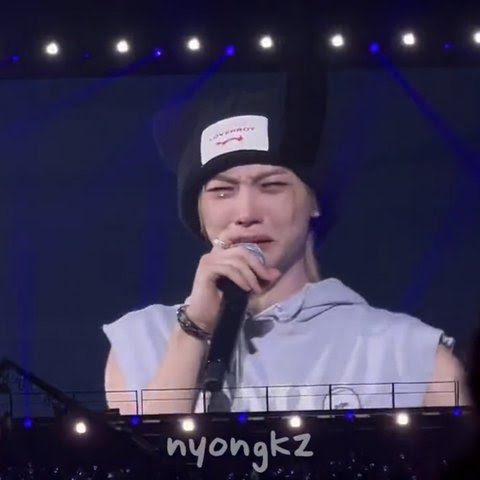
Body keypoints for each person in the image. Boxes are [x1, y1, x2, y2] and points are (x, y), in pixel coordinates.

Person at [102, 69, 465, 415]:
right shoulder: (143, 340)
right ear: (198, 214)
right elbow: (142, 452)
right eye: (222, 191)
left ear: (315, 201)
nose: (246, 212)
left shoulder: (408, 354)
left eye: (271, 186)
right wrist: (193, 331)